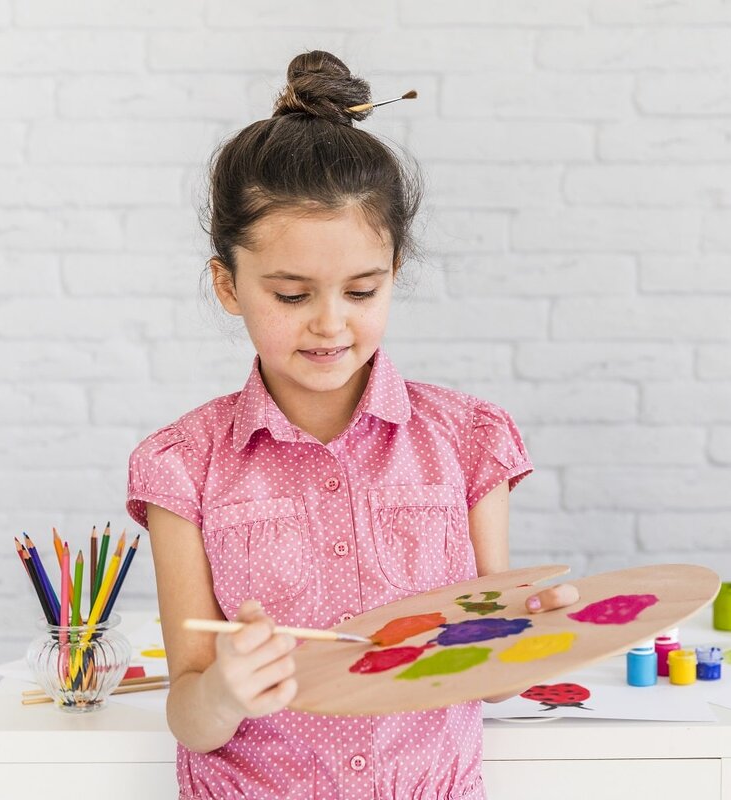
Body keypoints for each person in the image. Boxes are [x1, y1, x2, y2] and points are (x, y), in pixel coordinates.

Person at [126, 50, 578, 799]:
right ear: (227, 285)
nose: (330, 324)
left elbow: (493, 682)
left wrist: (533, 641)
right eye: (292, 294)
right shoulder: (184, 465)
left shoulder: (469, 444)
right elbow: (190, 713)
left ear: (394, 272)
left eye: (361, 290)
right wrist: (225, 693)